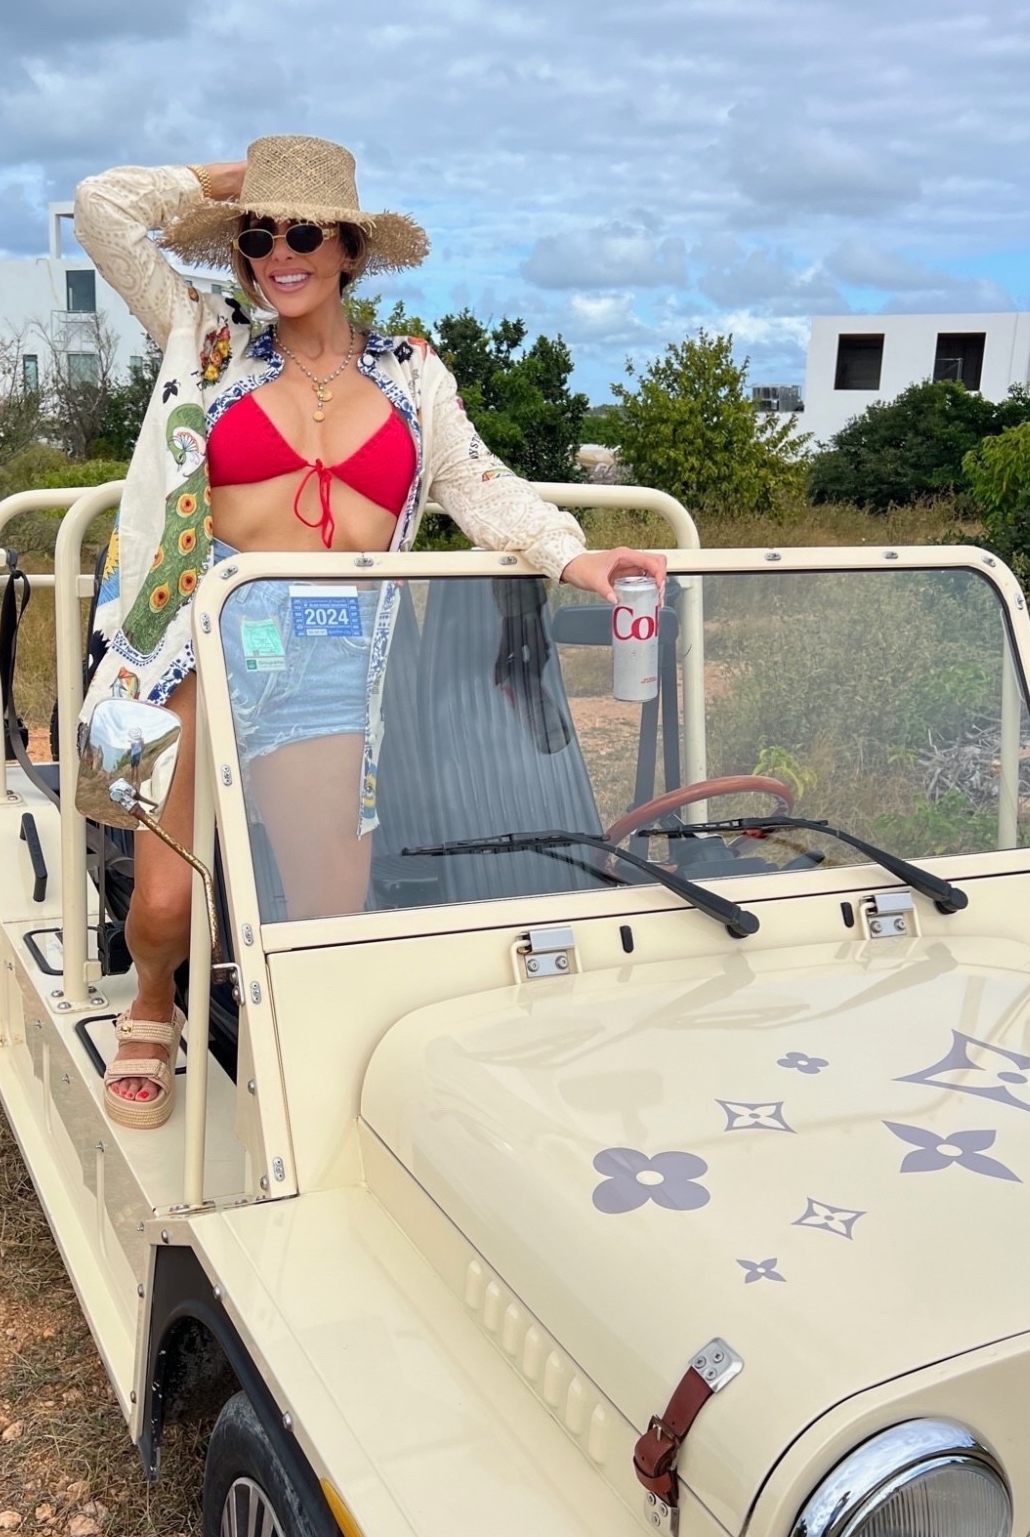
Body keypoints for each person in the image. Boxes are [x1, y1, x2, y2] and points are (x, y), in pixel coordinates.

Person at [71, 136, 667, 1125]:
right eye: (257, 235)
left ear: (348, 247)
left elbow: (476, 481)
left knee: (327, 907)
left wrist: (575, 555)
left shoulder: (411, 371)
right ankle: (150, 1000)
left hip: (331, 652)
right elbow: (102, 207)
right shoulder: (207, 335)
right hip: (192, 635)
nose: (277, 252)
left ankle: (303, 1058)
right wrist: (221, 184)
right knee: (165, 901)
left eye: (302, 229)